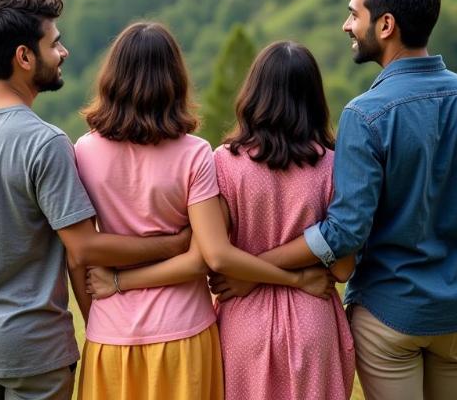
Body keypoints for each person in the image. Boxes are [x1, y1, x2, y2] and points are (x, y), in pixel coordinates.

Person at [212, 0, 457, 400]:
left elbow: (345, 232)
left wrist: (257, 268)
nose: (347, 25)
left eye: (354, 14)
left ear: (386, 24)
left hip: (387, 315)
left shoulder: (365, 114)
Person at [0, 0, 191, 400]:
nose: (62, 52)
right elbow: (83, 248)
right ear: (24, 57)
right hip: (34, 349)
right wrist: (174, 243)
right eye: (54, 43)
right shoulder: (45, 142)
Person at [74, 22, 335, 400]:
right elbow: (205, 258)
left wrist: (111, 293)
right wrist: (295, 280)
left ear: (110, 78)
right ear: (175, 80)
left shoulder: (82, 151)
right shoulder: (194, 153)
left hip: (109, 335)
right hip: (185, 330)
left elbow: (77, 254)